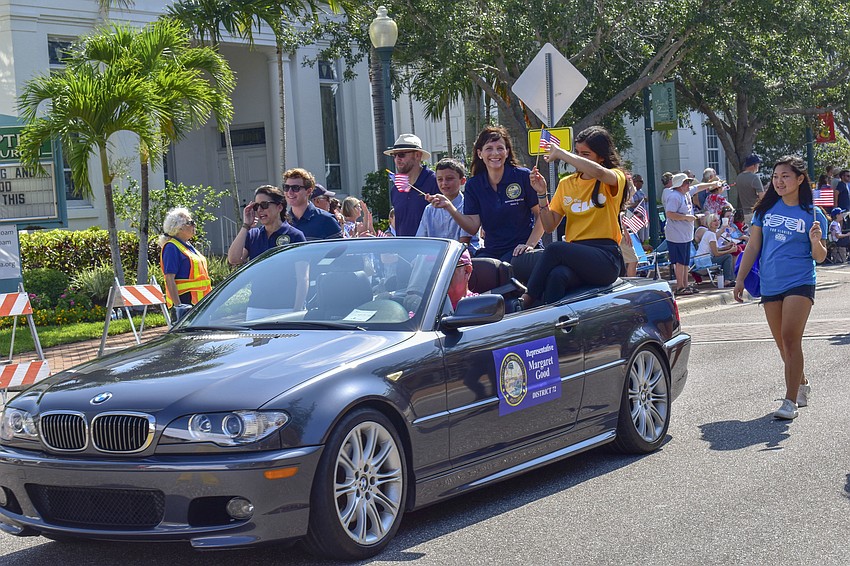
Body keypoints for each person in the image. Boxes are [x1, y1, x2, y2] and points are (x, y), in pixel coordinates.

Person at [733, 155, 827, 420]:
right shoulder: (765, 211)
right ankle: (802, 383)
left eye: (785, 176)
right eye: (775, 177)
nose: (779, 181)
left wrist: (816, 241)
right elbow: (753, 246)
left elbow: (819, 256)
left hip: (800, 281)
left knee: (790, 338)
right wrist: (739, 280)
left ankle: (790, 401)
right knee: (782, 345)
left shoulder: (812, 213)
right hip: (770, 282)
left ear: (799, 179)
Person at [520, 126, 627, 306]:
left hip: (605, 257)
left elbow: (600, 173)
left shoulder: (615, 177)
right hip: (576, 255)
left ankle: (526, 299)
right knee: (557, 275)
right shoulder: (566, 184)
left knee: (555, 248)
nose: (578, 158)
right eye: (577, 152)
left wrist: (562, 153)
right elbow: (549, 226)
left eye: (585, 154)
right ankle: (548, 324)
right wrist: (541, 194)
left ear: (601, 157)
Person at [430, 125, 544, 262]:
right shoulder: (474, 185)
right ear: (480, 153)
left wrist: (529, 245)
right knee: (478, 271)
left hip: (522, 249)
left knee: (509, 267)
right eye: (489, 148)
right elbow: (472, 227)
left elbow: (541, 215)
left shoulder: (523, 176)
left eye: (500, 148)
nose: (495, 153)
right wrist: (449, 206)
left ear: (507, 152)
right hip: (492, 251)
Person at [228, 185, 305, 266]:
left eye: (264, 205)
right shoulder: (254, 235)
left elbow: (302, 274)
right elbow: (234, 259)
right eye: (256, 206)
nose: (259, 210)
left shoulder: (295, 236)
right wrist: (246, 225)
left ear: (279, 207)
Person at [384, 133, 440, 236]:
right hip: (404, 250)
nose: (397, 159)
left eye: (401, 154)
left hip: (431, 249)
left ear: (417, 155)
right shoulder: (396, 189)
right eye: (394, 155)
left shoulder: (436, 182)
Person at [418, 158, 480, 251]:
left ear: (462, 181)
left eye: (449, 179)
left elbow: (464, 243)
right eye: (440, 179)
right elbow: (421, 240)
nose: (444, 183)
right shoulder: (430, 209)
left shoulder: (468, 206)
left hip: (466, 258)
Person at [158, 207, 211, 310]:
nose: (194, 225)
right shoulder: (171, 247)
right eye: (190, 222)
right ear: (179, 227)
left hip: (199, 303)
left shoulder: (188, 246)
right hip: (185, 303)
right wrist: (178, 307)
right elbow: (169, 278)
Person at [663, 173, 700, 295]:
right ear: (680, 185)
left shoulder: (685, 194)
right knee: (679, 262)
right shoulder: (674, 196)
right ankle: (680, 287)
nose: (689, 185)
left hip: (685, 235)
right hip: (676, 235)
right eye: (686, 182)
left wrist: (714, 184)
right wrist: (686, 218)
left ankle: (685, 285)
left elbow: (700, 187)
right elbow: (669, 213)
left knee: (684, 261)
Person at [283, 168, 344, 240]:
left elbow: (339, 249)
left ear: (308, 191)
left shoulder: (326, 220)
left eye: (295, 188)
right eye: (286, 187)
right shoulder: (282, 221)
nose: (290, 192)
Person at [693, 214, 736, 286]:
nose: (717, 222)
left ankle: (729, 279)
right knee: (728, 256)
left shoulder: (709, 233)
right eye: (714, 221)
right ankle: (727, 280)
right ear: (710, 223)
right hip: (703, 261)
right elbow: (716, 253)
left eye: (718, 220)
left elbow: (715, 249)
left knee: (727, 255)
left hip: (702, 260)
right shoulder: (711, 235)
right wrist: (730, 251)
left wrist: (726, 247)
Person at [736, 154, 764, 222]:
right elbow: (762, 197)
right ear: (753, 165)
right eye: (758, 164)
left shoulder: (739, 177)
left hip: (744, 213)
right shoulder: (754, 177)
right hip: (755, 212)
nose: (758, 166)